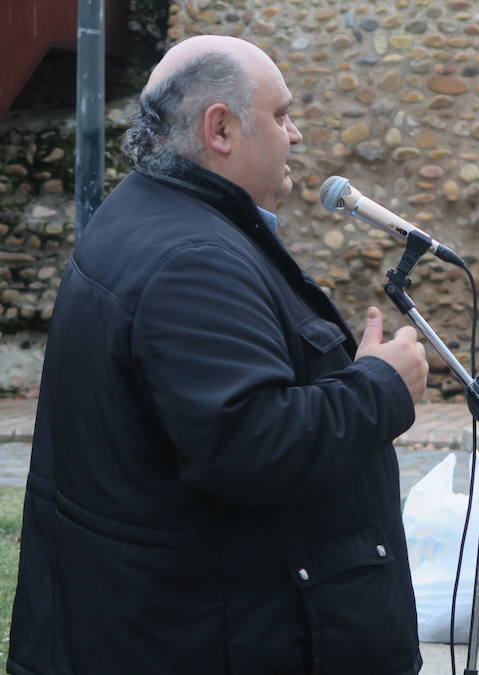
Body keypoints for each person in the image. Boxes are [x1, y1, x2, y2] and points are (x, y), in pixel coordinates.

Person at [7, 35, 428, 675]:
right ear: (221, 128)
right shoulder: (192, 262)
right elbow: (249, 445)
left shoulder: (148, 213)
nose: (297, 135)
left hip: (160, 622)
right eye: (282, 115)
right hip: (206, 634)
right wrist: (382, 384)